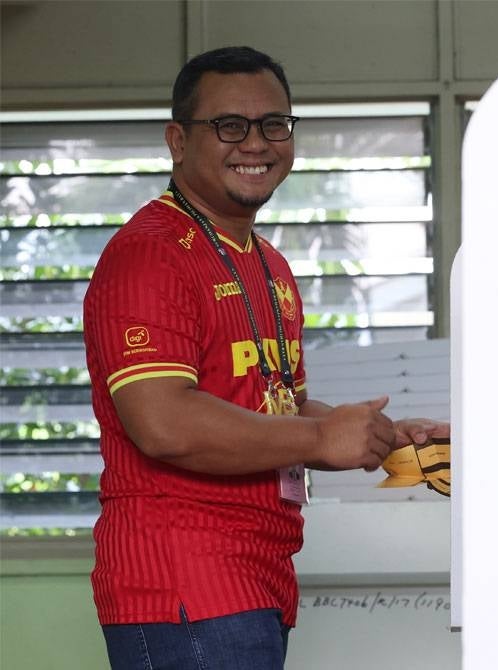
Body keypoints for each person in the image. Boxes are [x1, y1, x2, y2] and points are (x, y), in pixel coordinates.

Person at [83, 46, 448, 669]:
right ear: (177, 140)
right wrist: (319, 437)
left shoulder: (268, 263)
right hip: (182, 582)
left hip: (256, 576)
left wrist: (382, 440)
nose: (256, 143)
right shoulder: (149, 255)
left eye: (274, 125)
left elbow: (278, 404)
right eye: (229, 126)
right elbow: (163, 423)